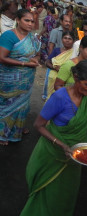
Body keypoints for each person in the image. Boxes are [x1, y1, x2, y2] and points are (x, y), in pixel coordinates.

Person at [18, 60, 87, 216]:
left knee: (67, 192)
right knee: (48, 191)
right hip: (53, 152)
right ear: (76, 77)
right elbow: (38, 125)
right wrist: (62, 145)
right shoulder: (59, 97)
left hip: (76, 154)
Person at [0, 9, 41, 146]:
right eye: (27, 20)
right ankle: (2, 134)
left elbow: (37, 53)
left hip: (26, 79)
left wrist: (35, 59)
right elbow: (2, 57)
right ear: (18, 20)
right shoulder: (8, 36)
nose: (30, 24)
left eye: (32, 21)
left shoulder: (33, 38)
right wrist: (24, 63)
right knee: (7, 105)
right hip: (9, 80)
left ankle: (18, 128)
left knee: (23, 105)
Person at [44, 31, 75, 100]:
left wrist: (63, 70)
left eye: (69, 39)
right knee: (51, 98)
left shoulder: (74, 53)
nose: (67, 40)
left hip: (65, 79)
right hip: (53, 78)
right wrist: (55, 67)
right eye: (65, 38)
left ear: (73, 41)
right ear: (62, 39)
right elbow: (47, 62)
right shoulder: (56, 50)